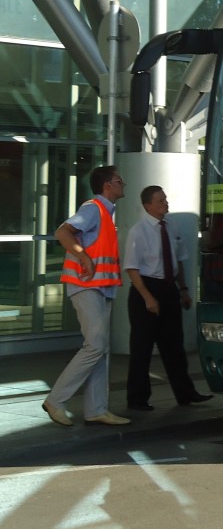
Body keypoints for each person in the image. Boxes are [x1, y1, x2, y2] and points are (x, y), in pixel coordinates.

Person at [42, 165, 131, 427]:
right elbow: (62, 232)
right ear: (107, 185)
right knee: (95, 345)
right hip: (86, 286)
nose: (123, 184)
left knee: (99, 347)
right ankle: (56, 401)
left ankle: (96, 409)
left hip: (100, 287)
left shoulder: (106, 212)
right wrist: (83, 257)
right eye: (119, 180)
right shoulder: (94, 208)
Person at [123, 185, 212, 411]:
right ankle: (137, 398)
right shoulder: (138, 231)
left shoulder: (170, 226)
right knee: (142, 348)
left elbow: (177, 260)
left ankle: (186, 393)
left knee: (174, 345)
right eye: (160, 201)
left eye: (165, 199)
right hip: (146, 288)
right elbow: (132, 268)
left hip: (168, 288)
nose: (165, 203)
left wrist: (183, 290)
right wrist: (148, 298)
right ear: (148, 206)